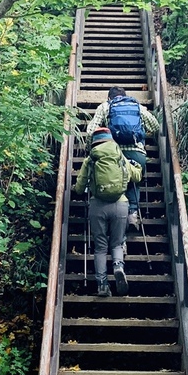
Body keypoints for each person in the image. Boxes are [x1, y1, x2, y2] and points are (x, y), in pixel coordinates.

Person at [74, 127, 143, 297]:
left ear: (94, 142)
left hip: (97, 206)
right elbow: (136, 177)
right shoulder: (119, 155)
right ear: (110, 139)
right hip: (120, 204)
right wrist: (138, 167)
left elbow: (79, 187)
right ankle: (118, 266)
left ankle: (102, 285)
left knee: (100, 247)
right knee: (117, 243)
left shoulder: (90, 159)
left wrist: (80, 187)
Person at [86, 86, 158, 228]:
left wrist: (92, 148)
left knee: (114, 186)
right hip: (137, 153)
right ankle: (132, 214)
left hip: (112, 154)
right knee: (134, 182)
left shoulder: (105, 106)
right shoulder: (136, 106)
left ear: (109, 97)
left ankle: (117, 227)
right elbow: (155, 126)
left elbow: (90, 132)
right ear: (125, 96)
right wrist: (141, 135)